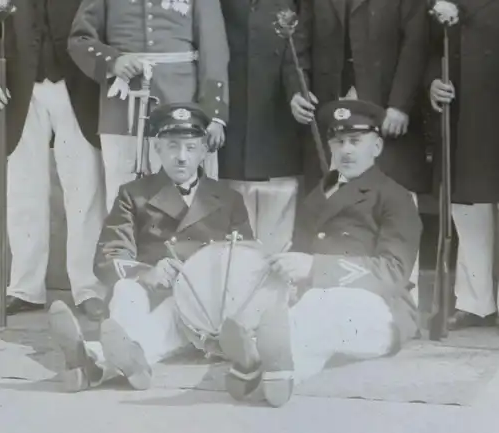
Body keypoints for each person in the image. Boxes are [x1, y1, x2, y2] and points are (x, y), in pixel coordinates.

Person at [219, 100, 422, 407]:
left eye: (356, 142)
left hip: (382, 312)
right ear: (330, 147)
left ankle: (257, 361)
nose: (346, 151)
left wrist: (315, 268)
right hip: (319, 308)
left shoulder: (395, 197)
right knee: (313, 324)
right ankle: (277, 373)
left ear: (377, 146)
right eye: (338, 142)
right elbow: (299, 255)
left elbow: (392, 272)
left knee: (323, 306)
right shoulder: (320, 193)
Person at [48, 103, 253, 392]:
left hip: (199, 309)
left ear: (204, 150)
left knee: (172, 311)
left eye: (191, 147)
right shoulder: (134, 194)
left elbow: (246, 262)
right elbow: (109, 255)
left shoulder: (229, 199)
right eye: (172, 146)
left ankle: (93, 359)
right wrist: (145, 273)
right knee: (125, 289)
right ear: (157, 148)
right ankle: (121, 364)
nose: (181, 157)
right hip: (148, 294)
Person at [288, 0, 429, 302]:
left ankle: (402, 297)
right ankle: (325, 291)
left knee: (393, 200)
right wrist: (296, 92)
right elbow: (297, 45)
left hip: (387, 111)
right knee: (332, 202)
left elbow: (416, 45)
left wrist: (400, 104)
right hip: (332, 112)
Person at [68, 0, 229, 212]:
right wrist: (113, 62)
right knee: (123, 203)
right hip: (121, 112)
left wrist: (214, 115)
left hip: (182, 109)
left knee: (183, 203)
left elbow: (214, 48)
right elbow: (79, 40)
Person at [0, 0, 106, 319]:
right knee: (22, 189)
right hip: (19, 86)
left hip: (78, 83)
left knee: (85, 189)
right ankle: (24, 287)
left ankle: (88, 288)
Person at [427, 0, 499, 330]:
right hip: (467, 106)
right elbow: (424, 45)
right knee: (469, 204)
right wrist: (432, 82)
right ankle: (475, 302)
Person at [217, 0, 304, 254]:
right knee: (233, 239)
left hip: (279, 128)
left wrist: (298, 90)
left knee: (278, 224)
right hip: (232, 126)